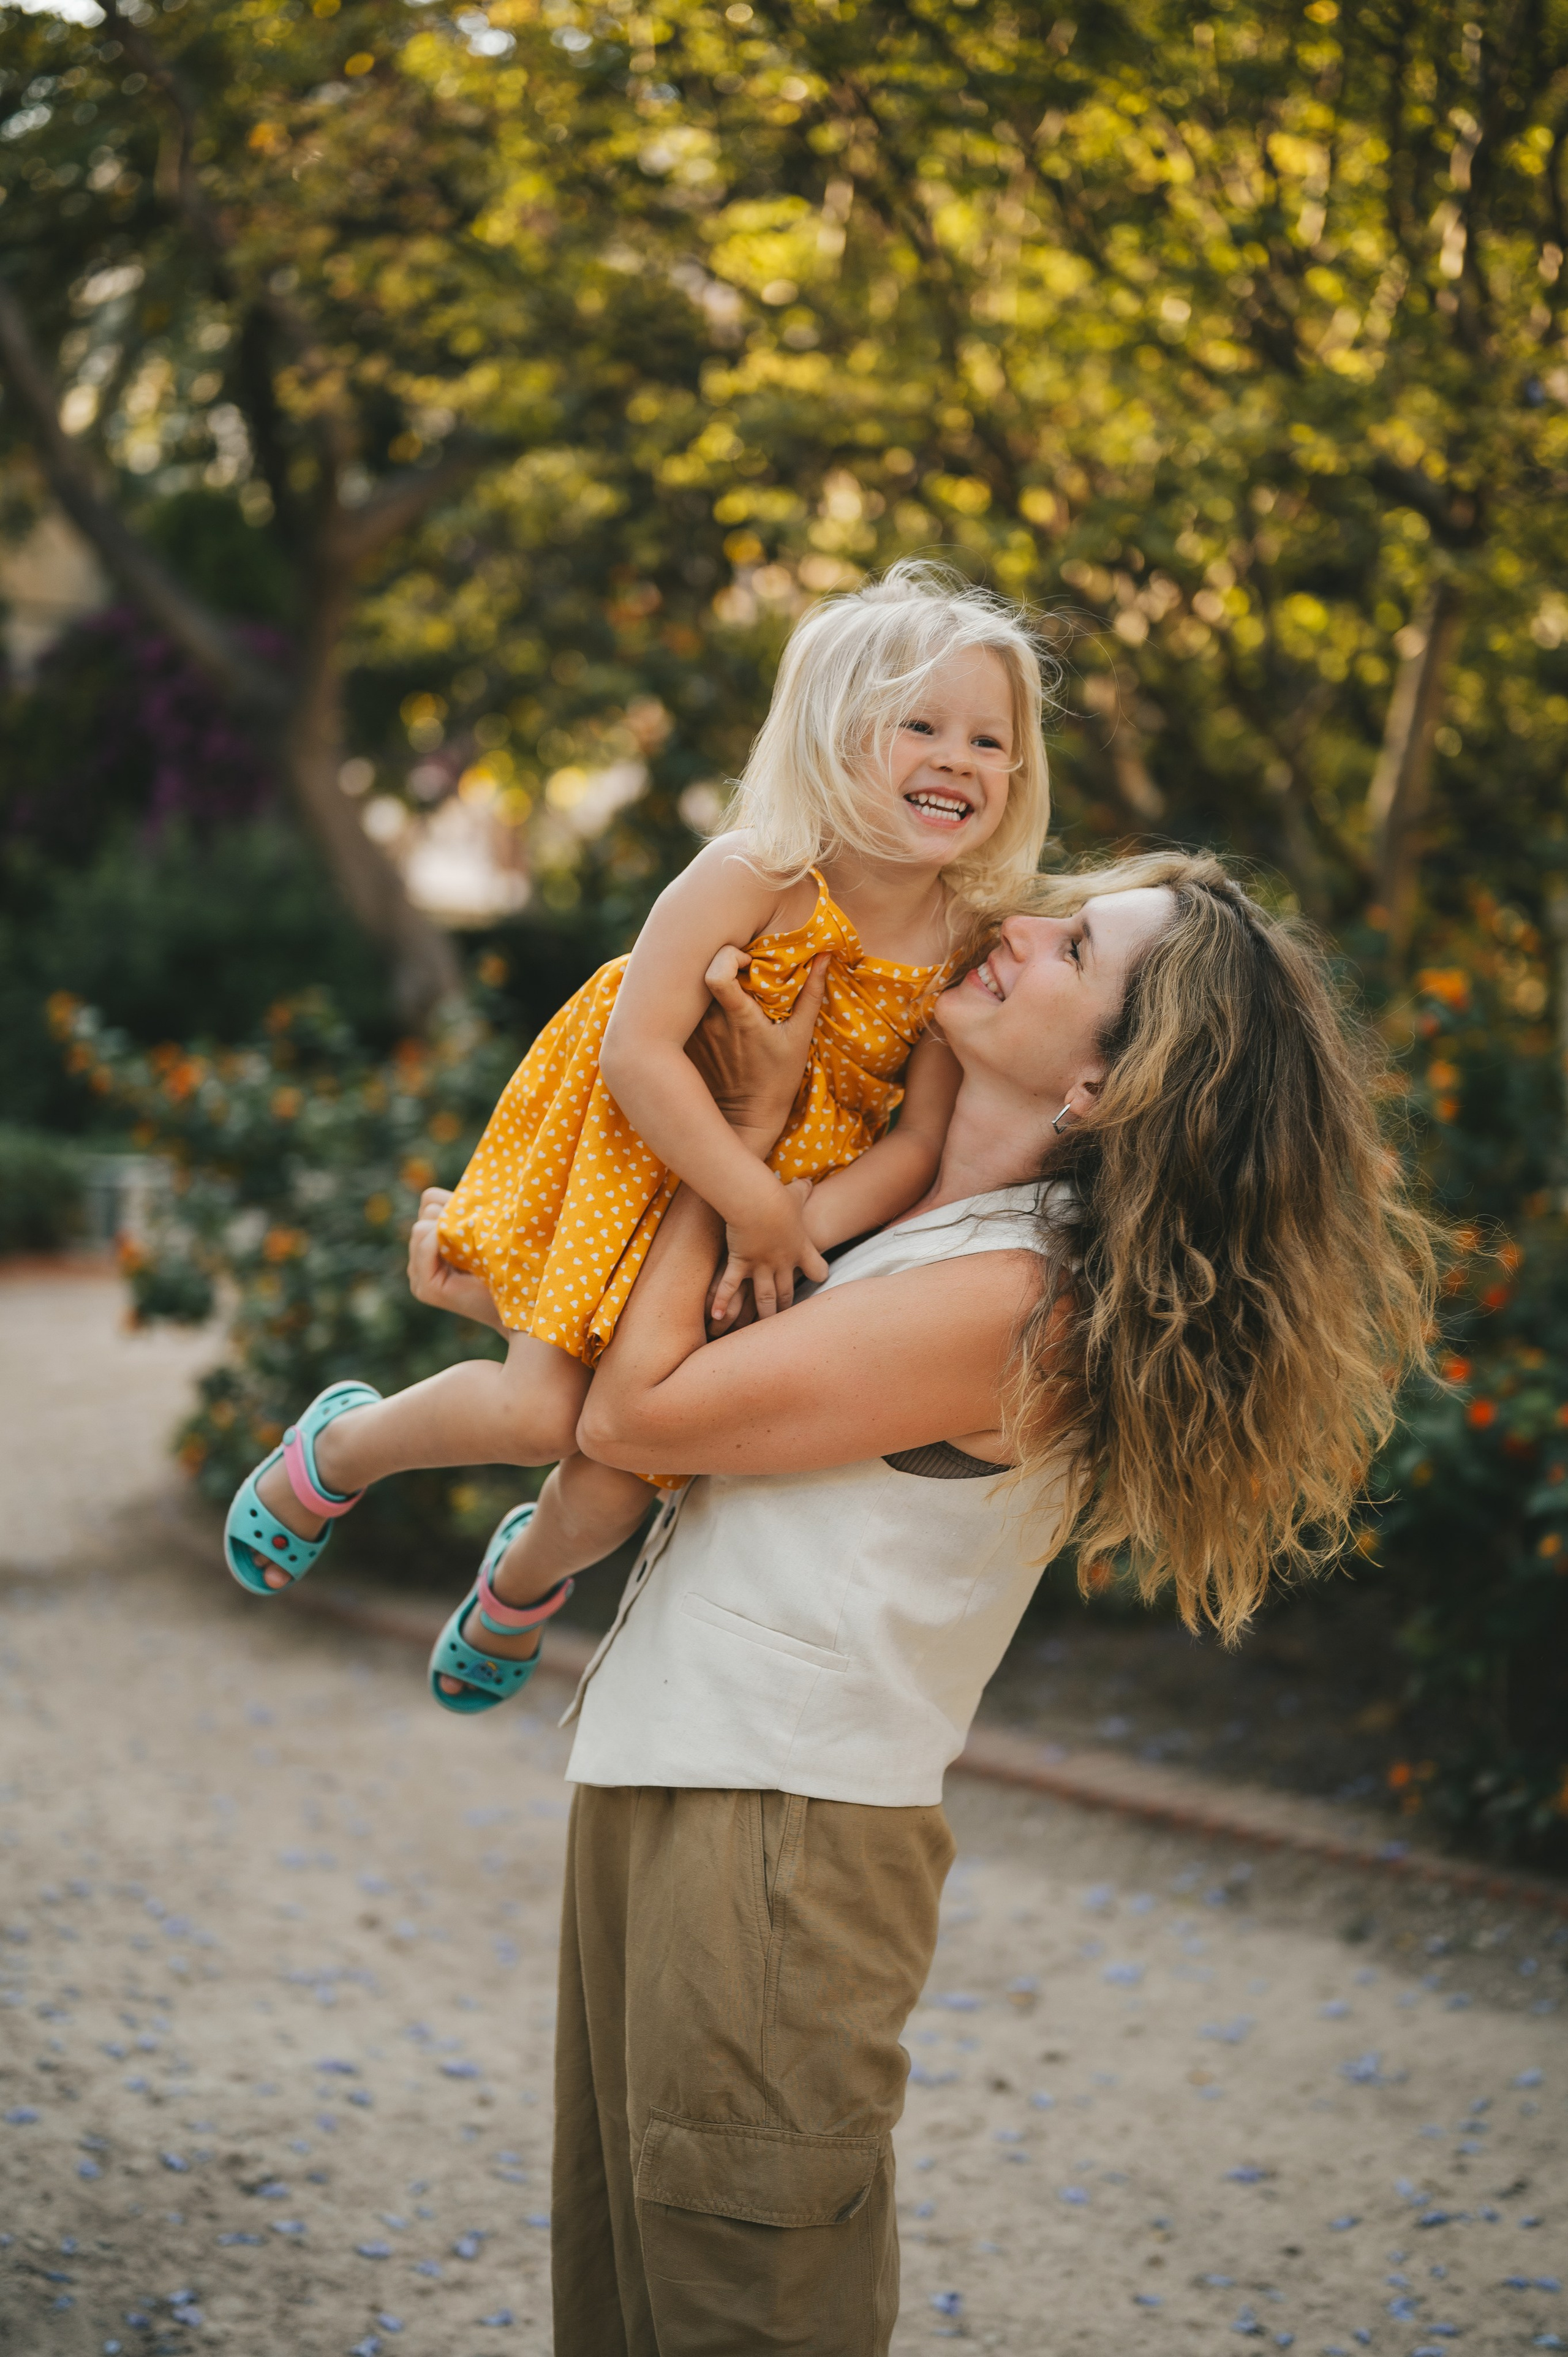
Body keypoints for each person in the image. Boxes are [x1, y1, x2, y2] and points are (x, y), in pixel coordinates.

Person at [426, 850, 1435, 2357]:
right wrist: (510, 1272)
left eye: (1073, 949)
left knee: (739, 2313)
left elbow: (638, 1416)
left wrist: (739, 1138)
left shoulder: (1016, 1303)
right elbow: (630, 1356)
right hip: (678, 1774)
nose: (1017, 927)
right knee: (625, 2299)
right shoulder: (904, 1219)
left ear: (1102, 1086)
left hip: (778, 1835)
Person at [220, 563, 1055, 1700]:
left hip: (771, 1210)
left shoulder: (968, 935)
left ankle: (519, 1584)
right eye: (922, 726)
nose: (959, 758)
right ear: (832, 735)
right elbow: (637, 1052)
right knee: (535, 1415)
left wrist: (795, 1225)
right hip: (643, 1150)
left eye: (989, 741)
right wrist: (750, 1200)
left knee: (616, 1481)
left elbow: (916, 1143)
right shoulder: (759, 872)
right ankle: (337, 1449)